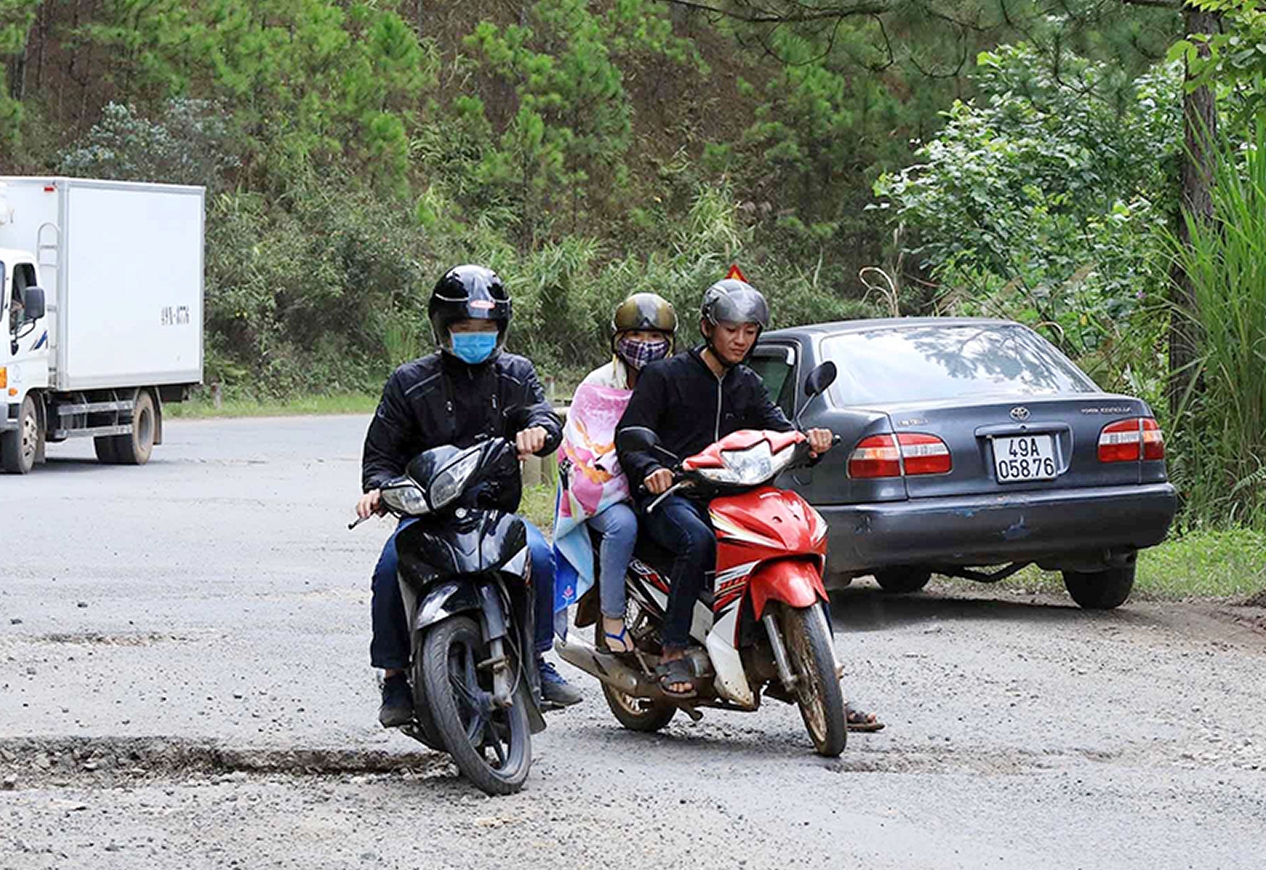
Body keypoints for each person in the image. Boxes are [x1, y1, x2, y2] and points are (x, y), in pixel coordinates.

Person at [616, 277, 882, 728]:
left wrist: (810, 441)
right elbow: (629, 438)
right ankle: (675, 648)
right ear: (707, 327)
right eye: (731, 329)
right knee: (696, 541)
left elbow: (779, 429)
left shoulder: (748, 383)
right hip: (678, 494)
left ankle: (826, 674)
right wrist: (650, 470)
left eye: (750, 331)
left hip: (737, 494)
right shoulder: (666, 376)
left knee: (794, 537)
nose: (740, 340)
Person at [356, 264, 584, 727]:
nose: (475, 336)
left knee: (540, 559)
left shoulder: (516, 373)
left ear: (501, 329)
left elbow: (542, 415)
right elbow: (380, 454)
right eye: (464, 328)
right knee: (388, 570)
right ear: (443, 327)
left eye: (486, 328)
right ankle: (395, 675)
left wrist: (539, 430)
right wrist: (377, 490)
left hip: (493, 513)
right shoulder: (408, 381)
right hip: (427, 515)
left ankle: (538, 657)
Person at [552, 293, 678, 655]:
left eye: (655, 338)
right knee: (623, 526)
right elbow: (581, 445)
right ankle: (612, 619)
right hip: (603, 491)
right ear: (617, 340)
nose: (645, 345)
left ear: (669, 343)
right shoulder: (598, 384)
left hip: (662, 483)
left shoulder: (676, 378)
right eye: (635, 337)